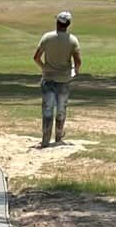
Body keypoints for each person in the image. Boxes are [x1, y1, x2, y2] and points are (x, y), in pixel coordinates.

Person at [33, 9, 81, 146]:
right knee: (61, 109)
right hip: (64, 79)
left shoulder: (47, 37)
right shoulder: (72, 40)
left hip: (48, 78)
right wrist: (75, 71)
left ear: (57, 22)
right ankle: (58, 138)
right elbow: (78, 62)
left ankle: (45, 139)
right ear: (68, 24)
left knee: (48, 109)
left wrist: (44, 68)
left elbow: (36, 58)